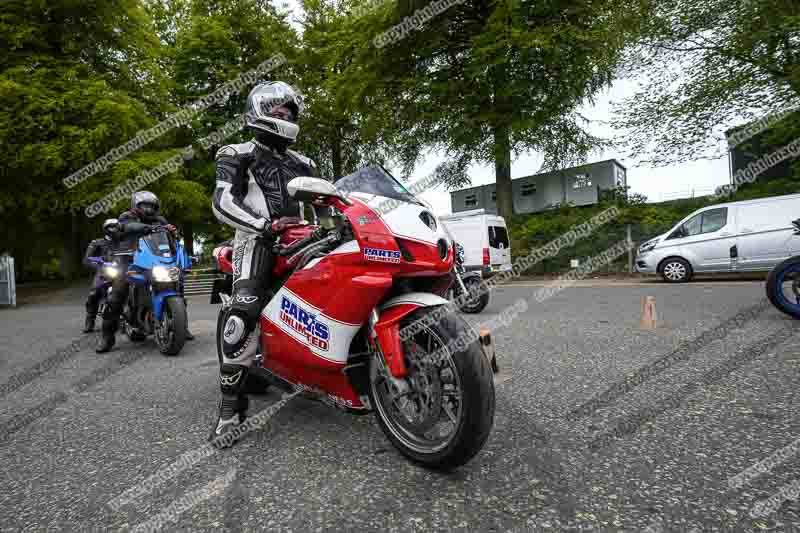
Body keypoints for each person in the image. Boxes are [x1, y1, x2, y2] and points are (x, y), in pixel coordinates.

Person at [209, 81, 329, 444]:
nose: (285, 116)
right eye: (278, 111)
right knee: (243, 309)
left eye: (289, 111)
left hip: (303, 238)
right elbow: (222, 201)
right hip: (255, 239)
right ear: (258, 110)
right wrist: (263, 225)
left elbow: (326, 205)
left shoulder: (304, 162)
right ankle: (229, 410)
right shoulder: (236, 152)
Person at [96, 191, 195, 352]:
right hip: (129, 259)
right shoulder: (126, 217)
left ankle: (180, 324)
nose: (148, 209)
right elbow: (129, 227)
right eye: (144, 206)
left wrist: (173, 234)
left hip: (154, 260)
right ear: (136, 206)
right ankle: (107, 337)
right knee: (117, 295)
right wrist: (149, 228)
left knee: (177, 286)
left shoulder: (160, 220)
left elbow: (169, 240)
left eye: (151, 206)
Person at [82, 219, 120, 333]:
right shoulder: (97, 243)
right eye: (111, 227)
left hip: (122, 271)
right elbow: (87, 259)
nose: (114, 230)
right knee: (94, 292)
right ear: (106, 229)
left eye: (116, 227)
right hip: (104, 272)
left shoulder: (124, 243)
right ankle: (90, 318)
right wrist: (98, 264)